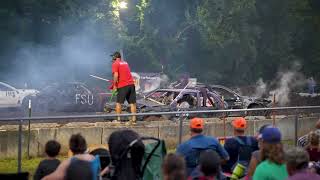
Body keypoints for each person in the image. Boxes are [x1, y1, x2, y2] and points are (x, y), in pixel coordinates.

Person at [111, 51, 137, 124]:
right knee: (132, 103)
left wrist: (114, 85)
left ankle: (118, 120)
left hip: (123, 85)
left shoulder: (115, 64)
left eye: (113, 57)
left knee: (119, 103)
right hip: (131, 84)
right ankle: (134, 120)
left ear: (114, 57)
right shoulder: (125, 63)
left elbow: (116, 75)